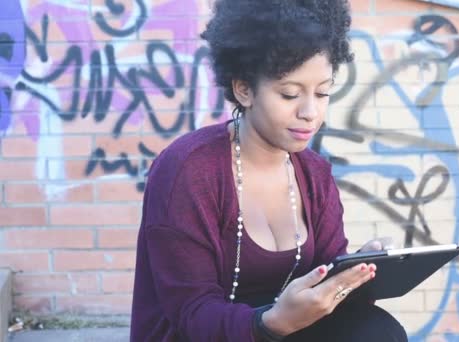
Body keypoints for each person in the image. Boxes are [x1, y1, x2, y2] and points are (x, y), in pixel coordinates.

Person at [130, 0, 408, 341]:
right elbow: (191, 312)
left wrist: (356, 274)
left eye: (323, 92)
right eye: (289, 94)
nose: (310, 112)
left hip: (283, 330)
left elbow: (323, 283)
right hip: (202, 334)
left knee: (378, 331)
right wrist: (271, 322)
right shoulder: (188, 171)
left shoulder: (314, 174)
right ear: (243, 89)